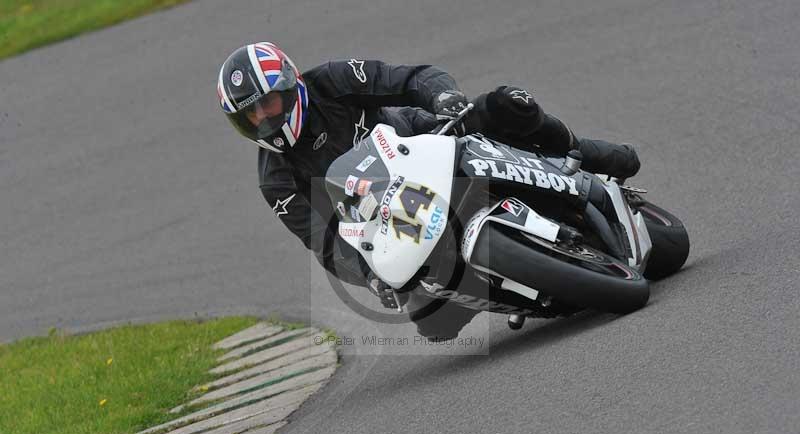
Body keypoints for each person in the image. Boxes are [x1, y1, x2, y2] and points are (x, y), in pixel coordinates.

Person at [217, 42, 640, 340]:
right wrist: (368, 275)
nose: (263, 120)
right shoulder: (275, 179)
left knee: (506, 104)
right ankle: (522, 293)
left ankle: (583, 155)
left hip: (423, 141)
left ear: (290, 86)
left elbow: (409, 78)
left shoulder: (332, 80)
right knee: (432, 322)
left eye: (267, 104)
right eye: (249, 116)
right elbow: (323, 241)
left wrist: (444, 97)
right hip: (396, 222)